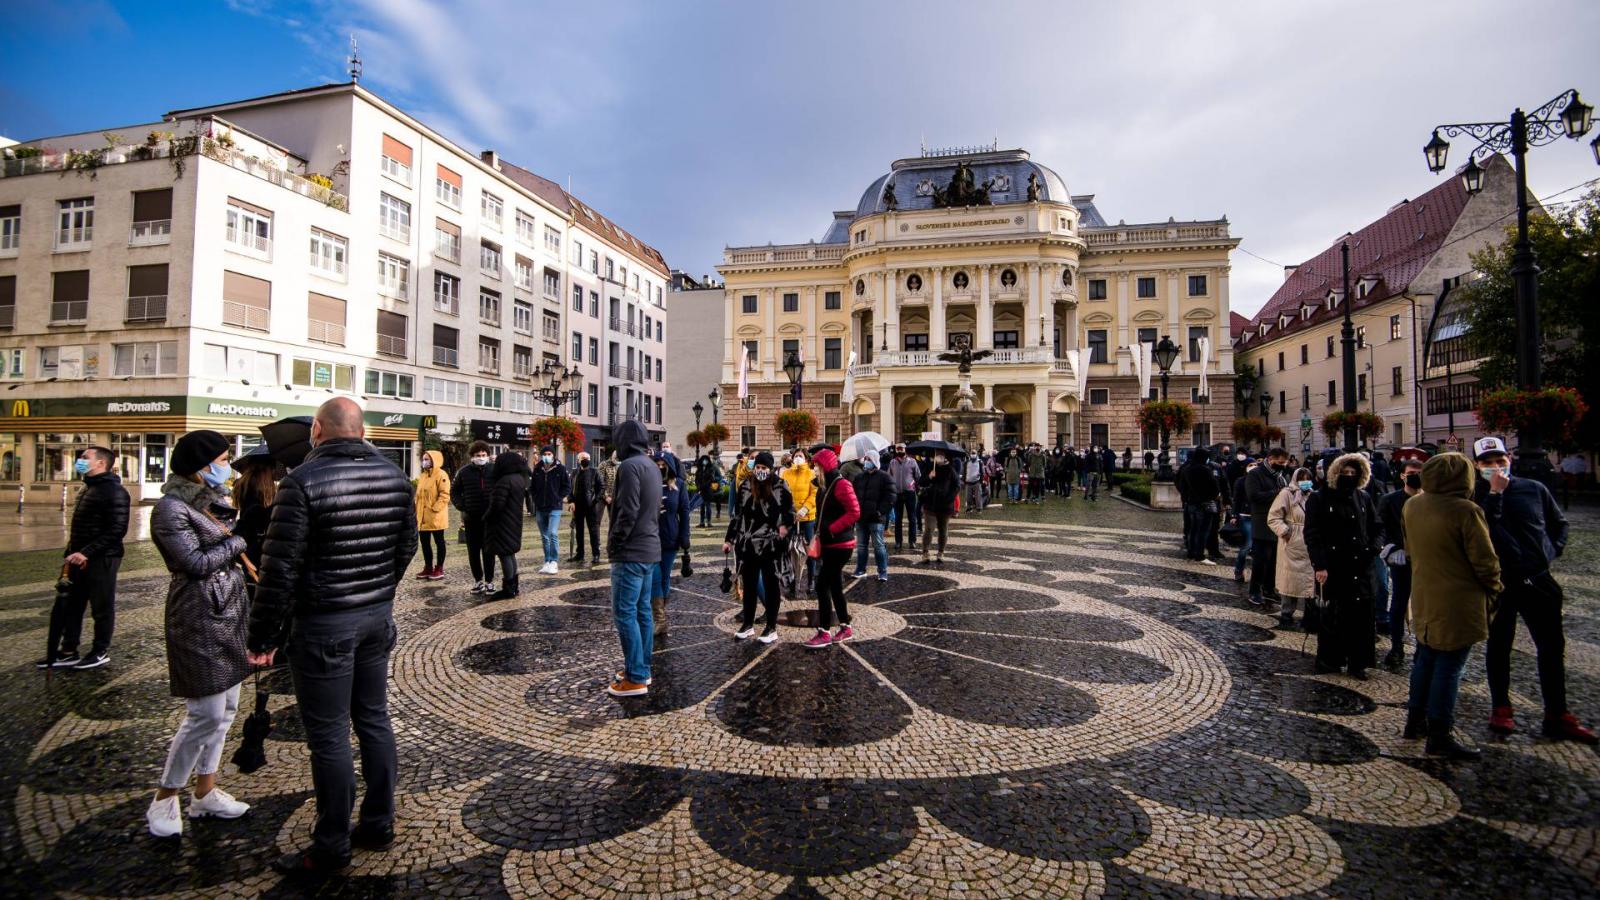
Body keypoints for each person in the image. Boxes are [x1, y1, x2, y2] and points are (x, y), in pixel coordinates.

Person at [248, 397, 417, 877]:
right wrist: (379, 588)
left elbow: (278, 571)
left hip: (324, 623)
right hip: (375, 617)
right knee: (373, 718)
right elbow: (406, 545)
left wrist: (261, 638)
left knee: (327, 734)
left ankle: (331, 844)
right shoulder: (395, 477)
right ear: (360, 430)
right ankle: (380, 822)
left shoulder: (300, 482)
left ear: (317, 430)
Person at [145, 431, 253, 837]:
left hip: (229, 610)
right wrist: (242, 538)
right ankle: (164, 797)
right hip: (198, 614)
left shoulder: (213, 503)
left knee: (225, 712)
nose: (227, 465)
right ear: (201, 465)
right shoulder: (171, 509)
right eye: (223, 458)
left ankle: (205, 792)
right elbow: (191, 561)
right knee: (203, 714)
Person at [1472, 437, 1596, 744]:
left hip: (1539, 578)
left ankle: (1557, 713)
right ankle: (1501, 707)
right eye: (1488, 463)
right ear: (1477, 466)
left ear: (1510, 458)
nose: (1496, 467)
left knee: (1552, 647)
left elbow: (1558, 523)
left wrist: (1551, 551)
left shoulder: (1534, 489)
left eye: (1500, 460)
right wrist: (1496, 495)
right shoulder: (1476, 497)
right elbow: (1480, 530)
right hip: (1501, 582)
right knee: (1500, 645)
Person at [1404, 452, 1503, 760]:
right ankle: (1439, 733)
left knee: (1425, 660)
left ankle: (1414, 721)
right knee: (1449, 667)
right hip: (1458, 599)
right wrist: (1495, 588)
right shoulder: (1465, 510)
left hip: (1423, 593)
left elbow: (1409, 548)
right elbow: (1485, 562)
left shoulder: (1412, 504)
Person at [39, 445, 130, 670]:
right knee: (72, 604)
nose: (80, 460)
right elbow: (81, 526)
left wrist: (86, 552)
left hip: (103, 558)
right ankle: (69, 649)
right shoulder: (88, 488)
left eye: (84, 457)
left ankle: (100, 650)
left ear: (101, 463)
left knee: (101, 606)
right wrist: (71, 553)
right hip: (77, 558)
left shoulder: (115, 491)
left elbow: (117, 530)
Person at [1304, 452, 1380, 680]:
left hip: (1361, 565)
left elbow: (1376, 526)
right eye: (1344, 472)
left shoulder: (1363, 497)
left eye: (1353, 473)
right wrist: (1320, 565)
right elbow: (1313, 534)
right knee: (1333, 614)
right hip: (1335, 565)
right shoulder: (1319, 498)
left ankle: (1358, 662)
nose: (1348, 476)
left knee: (1361, 616)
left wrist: (1374, 548)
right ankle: (1330, 659)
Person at [606, 421, 663, 696]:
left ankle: (636, 677)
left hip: (630, 551)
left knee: (624, 613)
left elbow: (628, 511)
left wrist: (616, 542)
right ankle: (642, 667)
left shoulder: (629, 467)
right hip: (649, 549)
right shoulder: (651, 465)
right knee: (642, 612)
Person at [723, 451, 793, 643]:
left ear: (770, 469)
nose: (760, 471)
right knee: (750, 585)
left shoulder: (780, 485)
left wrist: (783, 534)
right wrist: (729, 539)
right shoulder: (745, 486)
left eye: (764, 468)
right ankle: (748, 624)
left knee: (771, 586)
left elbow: (789, 514)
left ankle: (771, 627)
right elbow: (737, 515)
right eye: (758, 467)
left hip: (771, 545)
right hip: (748, 545)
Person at [803, 448, 861, 649]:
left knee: (821, 585)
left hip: (840, 544)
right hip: (830, 543)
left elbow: (854, 512)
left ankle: (824, 631)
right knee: (835, 586)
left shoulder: (841, 485)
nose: (814, 470)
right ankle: (845, 627)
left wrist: (831, 529)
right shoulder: (825, 486)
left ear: (825, 466)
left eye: (816, 466)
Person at [1377, 458, 1424, 669]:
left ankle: (1424, 648)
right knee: (1398, 603)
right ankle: (1397, 646)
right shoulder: (1390, 500)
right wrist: (1389, 548)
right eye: (1412, 472)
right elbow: (1381, 527)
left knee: (1425, 606)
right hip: (1400, 558)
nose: (1415, 475)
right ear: (1402, 475)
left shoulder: (1431, 500)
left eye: (1419, 472)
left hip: (1426, 560)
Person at [1266, 468, 1316, 630]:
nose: (1305, 481)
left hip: (1309, 542)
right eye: (1302, 478)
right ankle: (1286, 614)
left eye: (1308, 478)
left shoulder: (1314, 495)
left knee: (1310, 579)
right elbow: (1273, 517)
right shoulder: (1286, 494)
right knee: (1289, 579)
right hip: (1292, 542)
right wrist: (1285, 531)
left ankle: (1310, 615)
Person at [651, 450, 690, 636]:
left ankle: (661, 617)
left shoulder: (679, 485)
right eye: (656, 463)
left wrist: (685, 537)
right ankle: (659, 619)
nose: (660, 467)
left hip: (670, 537)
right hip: (649, 537)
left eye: (663, 464)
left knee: (665, 576)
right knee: (655, 577)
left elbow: (684, 512)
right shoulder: (648, 483)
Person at [1244, 447, 1290, 607]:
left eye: (1284, 463)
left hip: (1279, 523)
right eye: (1280, 462)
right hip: (1262, 522)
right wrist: (1278, 493)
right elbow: (1253, 496)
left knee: (1274, 562)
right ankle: (1255, 591)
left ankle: (1269, 589)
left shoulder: (1281, 476)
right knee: (1261, 561)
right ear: (1270, 459)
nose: (1283, 465)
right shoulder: (1255, 474)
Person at [452, 441, 497, 595]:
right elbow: (454, 492)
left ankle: (490, 581)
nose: (481, 457)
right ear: (472, 457)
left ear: (488, 455)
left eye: (484, 455)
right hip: (471, 519)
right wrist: (462, 506)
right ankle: (478, 580)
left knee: (489, 551)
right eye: (478, 455)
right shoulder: (463, 472)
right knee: (473, 551)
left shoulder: (494, 470)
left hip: (490, 518)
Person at [485, 451, 530, 599]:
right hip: (513, 522)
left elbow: (497, 505)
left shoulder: (504, 481)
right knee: (510, 553)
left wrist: (486, 517)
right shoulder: (519, 479)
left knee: (504, 554)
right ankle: (514, 586)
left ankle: (508, 589)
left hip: (502, 523)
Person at [850, 449, 895, 582]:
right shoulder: (859, 477)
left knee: (878, 546)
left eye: (869, 459)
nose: (866, 461)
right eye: (866, 459)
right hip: (861, 517)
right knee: (862, 546)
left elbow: (891, 497)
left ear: (875, 461)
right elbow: (853, 495)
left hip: (876, 518)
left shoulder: (884, 477)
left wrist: (880, 511)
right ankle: (860, 569)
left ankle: (882, 571)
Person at [528, 445, 570, 575]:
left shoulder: (561, 469)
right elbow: (532, 487)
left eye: (549, 453)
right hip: (541, 507)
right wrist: (535, 498)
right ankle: (547, 561)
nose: (547, 456)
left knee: (552, 533)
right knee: (544, 536)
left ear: (553, 455)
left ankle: (554, 561)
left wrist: (558, 497)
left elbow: (567, 486)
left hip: (555, 507)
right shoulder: (537, 469)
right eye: (544, 453)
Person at [782, 449, 819, 592]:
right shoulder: (786, 473)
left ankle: (811, 580)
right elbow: (783, 494)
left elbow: (814, 494)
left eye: (800, 456)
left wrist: (805, 509)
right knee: (790, 550)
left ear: (806, 459)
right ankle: (792, 580)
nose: (797, 458)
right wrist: (790, 511)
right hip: (791, 517)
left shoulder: (811, 474)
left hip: (807, 517)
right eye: (795, 456)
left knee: (809, 549)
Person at [1176, 448, 1221, 564]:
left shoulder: (1187, 469)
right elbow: (1214, 486)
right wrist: (1212, 496)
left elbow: (1182, 486)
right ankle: (1199, 554)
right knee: (1203, 530)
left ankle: (1191, 552)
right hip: (1204, 503)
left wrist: (1186, 498)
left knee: (1193, 529)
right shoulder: (1205, 469)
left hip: (1191, 503)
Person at [232, 457, 276, 571]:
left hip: (248, 552)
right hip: (255, 555)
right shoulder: (257, 489)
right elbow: (259, 517)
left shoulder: (245, 482)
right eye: (273, 471)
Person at [413, 450, 450, 580]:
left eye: (427, 459)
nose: (424, 462)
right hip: (422, 517)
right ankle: (428, 567)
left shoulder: (441, 474)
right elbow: (419, 495)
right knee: (424, 543)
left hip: (436, 517)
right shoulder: (423, 476)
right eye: (423, 459)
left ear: (434, 460)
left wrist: (435, 509)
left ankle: (439, 568)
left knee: (439, 542)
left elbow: (444, 495)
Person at [920, 451, 960, 562]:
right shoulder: (930, 467)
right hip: (930, 504)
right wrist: (929, 476)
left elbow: (957, 486)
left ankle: (941, 552)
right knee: (929, 529)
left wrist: (949, 498)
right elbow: (921, 482)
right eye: (937, 455)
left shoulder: (950, 470)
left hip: (945, 506)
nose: (939, 457)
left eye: (942, 455)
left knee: (943, 530)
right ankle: (925, 552)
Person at [569, 451, 604, 564]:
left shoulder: (595, 472)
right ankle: (580, 554)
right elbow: (570, 489)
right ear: (578, 460)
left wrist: (595, 500)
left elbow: (601, 487)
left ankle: (596, 554)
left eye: (586, 457)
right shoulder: (575, 473)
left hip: (591, 506)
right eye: (582, 458)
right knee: (579, 531)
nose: (584, 459)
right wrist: (571, 501)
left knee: (593, 531)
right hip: (578, 506)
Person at [889, 444, 921, 550]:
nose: (899, 451)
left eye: (901, 449)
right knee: (898, 519)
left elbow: (917, 476)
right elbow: (889, 477)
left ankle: (912, 541)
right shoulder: (892, 462)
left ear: (905, 450)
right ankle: (898, 541)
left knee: (912, 518)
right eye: (898, 449)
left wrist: (914, 485)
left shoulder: (912, 461)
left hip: (910, 493)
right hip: (897, 493)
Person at [1231, 460, 1256, 584]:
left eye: (1255, 465)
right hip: (1245, 516)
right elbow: (1237, 499)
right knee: (1247, 545)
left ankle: (1257, 575)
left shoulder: (1259, 480)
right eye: (1250, 465)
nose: (1253, 467)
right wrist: (1234, 515)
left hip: (1258, 517)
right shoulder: (1240, 481)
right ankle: (1238, 571)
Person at [696, 454, 719, 527]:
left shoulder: (710, 469)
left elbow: (711, 479)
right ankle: (702, 522)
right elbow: (696, 479)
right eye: (703, 460)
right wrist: (698, 486)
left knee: (708, 506)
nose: (704, 461)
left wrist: (703, 486)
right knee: (702, 507)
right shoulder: (699, 469)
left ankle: (709, 522)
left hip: (707, 490)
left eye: (706, 460)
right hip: (701, 490)